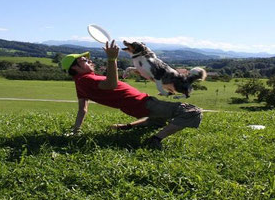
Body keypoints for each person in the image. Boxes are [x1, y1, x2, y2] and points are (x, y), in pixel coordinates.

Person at [61, 40, 203, 149]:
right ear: (75, 67)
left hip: (138, 105)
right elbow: (111, 84)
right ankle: (155, 140)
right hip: (142, 103)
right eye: (84, 60)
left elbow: (82, 109)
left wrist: (76, 131)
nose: (90, 60)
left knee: (159, 121)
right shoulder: (86, 80)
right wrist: (112, 59)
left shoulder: (80, 82)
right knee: (193, 112)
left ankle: (127, 126)